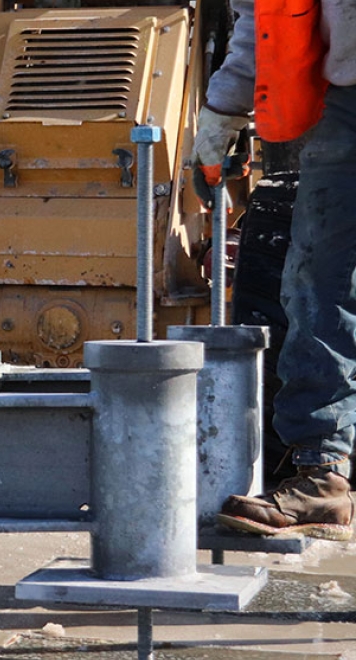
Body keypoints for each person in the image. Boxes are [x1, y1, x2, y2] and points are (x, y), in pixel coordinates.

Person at [195, 0, 356, 541]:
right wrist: (223, 112)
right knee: (317, 278)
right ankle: (323, 475)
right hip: (346, 99)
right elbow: (263, 18)